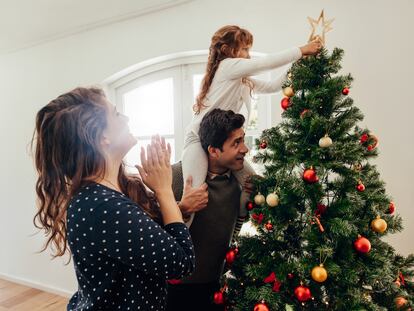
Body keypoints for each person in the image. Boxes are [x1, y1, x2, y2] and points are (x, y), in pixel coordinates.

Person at [32, 87, 195, 310]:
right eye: (117, 114)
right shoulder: (102, 206)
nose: (126, 117)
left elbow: (146, 239)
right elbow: (181, 262)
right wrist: (164, 190)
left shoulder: (115, 190)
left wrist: (178, 205)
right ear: (102, 137)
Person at [182, 25, 322, 225]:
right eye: (245, 49)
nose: (248, 55)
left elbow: (274, 86)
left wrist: (299, 62)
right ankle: (178, 245)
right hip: (198, 139)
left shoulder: (243, 80)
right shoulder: (227, 67)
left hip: (224, 142)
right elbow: (265, 63)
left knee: (253, 185)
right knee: (194, 196)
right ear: (227, 51)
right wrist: (301, 49)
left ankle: (237, 228)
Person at [167, 108, 252, 311]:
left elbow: (232, 229)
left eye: (243, 140)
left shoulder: (239, 185)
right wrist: (183, 208)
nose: (245, 149)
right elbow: (152, 232)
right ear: (213, 151)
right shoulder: (175, 177)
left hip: (214, 288)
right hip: (173, 290)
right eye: (236, 143)